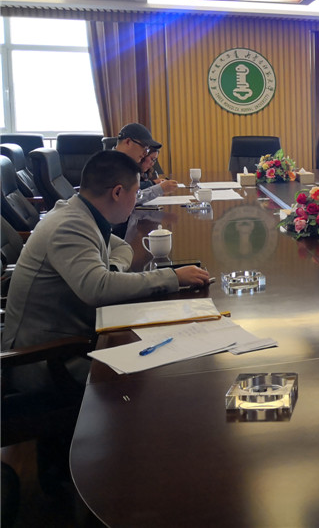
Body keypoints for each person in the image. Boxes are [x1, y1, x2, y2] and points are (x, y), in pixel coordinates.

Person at [1, 150, 210, 388]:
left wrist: (110, 271)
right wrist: (172, 277)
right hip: (46, 360)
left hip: (73, 337)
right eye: (135, 193)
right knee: (160, 382)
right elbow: (98, 288)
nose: (136, 200)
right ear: (118, 192)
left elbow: (122, 248)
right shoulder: (69, 226)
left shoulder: (81, 214)